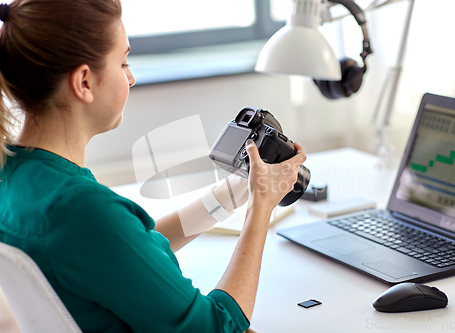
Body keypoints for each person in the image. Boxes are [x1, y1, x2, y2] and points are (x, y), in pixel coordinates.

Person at [0, 1, 306, 332]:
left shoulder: (17, 176)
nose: (130, 78)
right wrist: (261, 208)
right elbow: (217, 327)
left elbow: (129, 249)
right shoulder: (80, 208)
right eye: (123, 62)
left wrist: (234, 194)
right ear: (84, 82)